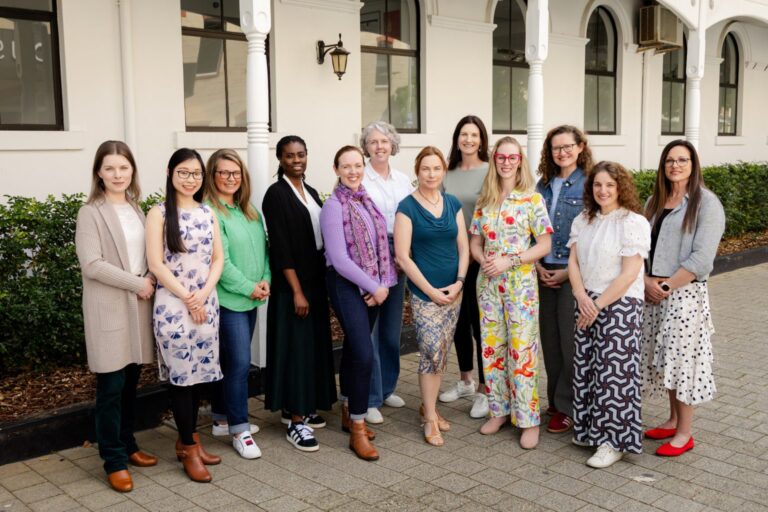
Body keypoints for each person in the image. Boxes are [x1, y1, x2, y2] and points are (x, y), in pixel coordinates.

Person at [75, 141, 158, 493]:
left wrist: (152, 278)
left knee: (130, 384)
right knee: (110, 387)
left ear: (132, 171)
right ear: (99, 172)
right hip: (110, 307)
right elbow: (92, 264)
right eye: (110, 168)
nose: (117, 175)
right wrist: (138, 283)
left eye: (123, 168)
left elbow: (147, 255)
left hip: (138, 307)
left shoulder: (138, 209)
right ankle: (113, 459)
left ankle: (128, 444)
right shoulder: (90, 212)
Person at [641, 140, 725, 457]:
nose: (675, 165)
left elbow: (702, 259)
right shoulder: (655, 201)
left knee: (682, 362)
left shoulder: (706, 203)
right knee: (665, 360)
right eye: (670, 161)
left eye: (683, 160)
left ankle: (685, 433)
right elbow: (643, 249)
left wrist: (663, 287)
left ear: (693, 164)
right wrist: (647, 281)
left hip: (683, 295)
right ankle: (673, 419)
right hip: (654, 293)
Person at [145, 148, 224, 483]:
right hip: (173, 306)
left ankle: (188, 440)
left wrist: (203, 295)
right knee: (181, 377)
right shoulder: (159, 213)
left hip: (206, 304)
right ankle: (189, 448)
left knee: (201, 376)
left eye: (196, 173)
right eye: (184, 172)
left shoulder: (208, 212)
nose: (190, 179)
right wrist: (188, 297)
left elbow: (217, 259)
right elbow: (156, 264)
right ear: (169, 172)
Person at [469, 136, 552, 449]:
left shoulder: (531, 199)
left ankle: (528, 419)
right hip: (488, 284)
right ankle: (499, 410)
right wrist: (484, 260)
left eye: (512, 157)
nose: (506, 162)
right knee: (491, 348)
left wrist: (511, 260)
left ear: (520, 161)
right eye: (500, 157)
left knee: (521, 350)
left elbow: (544, 244)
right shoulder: (485, 199)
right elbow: (475, 241)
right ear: (494, 160)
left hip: (520, 286)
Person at [567, 161, 650, 468]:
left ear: (621, 188)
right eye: (598, 185)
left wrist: (598, 304)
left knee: (613, 374)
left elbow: (630, 273)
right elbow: (573, 262)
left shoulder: (632, 222)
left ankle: (613, 441)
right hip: (585, 299)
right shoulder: (583, 220)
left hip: (620, 304)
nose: (603, 190)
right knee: (587, 367)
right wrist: (579, 295)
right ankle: (590, 430)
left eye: (610, 185)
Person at [262, 135, 337, 452]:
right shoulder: (275, 195)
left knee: (311, 348)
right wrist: (296, 291)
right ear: (279, 159)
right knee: (295, 350)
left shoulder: (311, 191)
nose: (297, 159)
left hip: (315, 278)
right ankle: (296, 422)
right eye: (290, 155)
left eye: (301, 154)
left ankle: (304, 406)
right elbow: (280, 248)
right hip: (294, 283)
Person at [321, 145, 396, 460]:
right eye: (345, 166)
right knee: (364, 354)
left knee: (355, 349)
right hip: (345, 284)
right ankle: (358, 428)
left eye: (357, 165)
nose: (352, 171)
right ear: (336, 169)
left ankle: (348, 408)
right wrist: (373, 286)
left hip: (371, 284)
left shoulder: (366, 199)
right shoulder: (333, 206)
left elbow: (379, 244)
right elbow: (339, 259)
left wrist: (380, 283)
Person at [394, 146, 469, 446]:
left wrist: (460, 282)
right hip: (426, 296)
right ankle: (429, 419)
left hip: (454, 293)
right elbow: (403, 257)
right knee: (430, 352)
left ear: (443, 170)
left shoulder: (452, 204)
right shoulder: (407, 207)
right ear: (417, 171)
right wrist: (429, 291)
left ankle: (430, 405)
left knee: (441, 353)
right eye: (426, 168)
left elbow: (463, 247)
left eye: (436, 168)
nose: (431, 174)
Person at [203, 149, 269, 460]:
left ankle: (220, 418)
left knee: (230, 363)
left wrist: (265, 279)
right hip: (229, 300)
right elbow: (221, 262)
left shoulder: (248, 209)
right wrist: (249, 288)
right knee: (241, 364)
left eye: (236, 173)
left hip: (252, 296)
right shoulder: (211, 212)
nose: (231, 178)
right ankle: (240, 430)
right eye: (224, 173)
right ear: (212, 176)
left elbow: (264, 251)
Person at [534, 125, 593, 434]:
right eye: (556, 148)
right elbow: (533, 228)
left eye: (568, 146)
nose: (562, 152)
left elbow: (590, 233)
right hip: (543, 271)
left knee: (571, 344)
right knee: (551, 342)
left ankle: (570, 406)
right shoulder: (542, 184)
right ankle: (555, 402)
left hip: (572, 273)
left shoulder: (589, 183)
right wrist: (538, 267)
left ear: (580, 147)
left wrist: (567, 271)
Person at [359, 121, 412, 424]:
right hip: (370, 256)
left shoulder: (403, 180)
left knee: (392, 328)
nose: (379, 146)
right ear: (365, 147)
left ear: (393, 145)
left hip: (399, 251)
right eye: (373, 142)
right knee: (371, 328)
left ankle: (388, 386)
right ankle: (370, 397)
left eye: (384, 141)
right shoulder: (360, 178)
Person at [440, 115, 491, 419]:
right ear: (457, 138)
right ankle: (465, 381)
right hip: (453, 256)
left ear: (481, 139)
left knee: (481, 324)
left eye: (474, 135)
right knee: (458, 322)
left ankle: (487, 389)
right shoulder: (447, 172)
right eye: (463, 134)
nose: (468, 140)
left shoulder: (492, 171)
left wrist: (479, 251)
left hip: (481, 257)